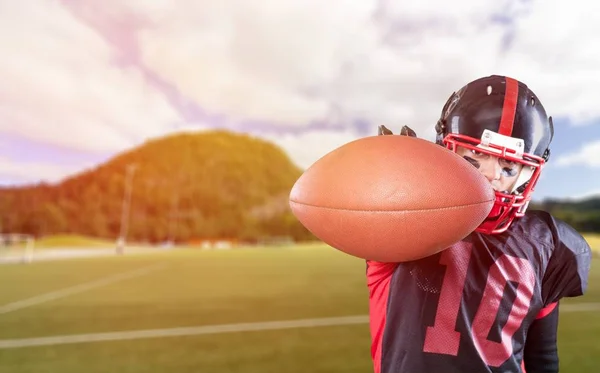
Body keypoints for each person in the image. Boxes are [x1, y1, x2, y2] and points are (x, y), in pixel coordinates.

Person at [367, 75, 592, 373]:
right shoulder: (411, 218)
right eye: (475, 157)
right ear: (447, 149)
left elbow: (542, 355)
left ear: (527, 174)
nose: (491, 176)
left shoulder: (548, 245)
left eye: (509, 166)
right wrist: (397, 187)